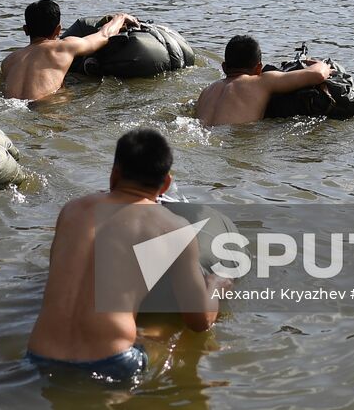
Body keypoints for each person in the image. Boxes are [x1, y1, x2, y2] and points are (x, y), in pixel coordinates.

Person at [25, 128, 224, 386]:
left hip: (38, 357)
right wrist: (217, 285)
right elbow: (200, 321)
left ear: (114, 173)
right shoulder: (174, 227)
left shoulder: (72, 210)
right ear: (165, 184)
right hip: (111, 363)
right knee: (172, 336)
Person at [1, 1, 138, 102]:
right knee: (66, 93)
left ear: (25, 30)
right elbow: (104, 35)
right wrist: (120, 17)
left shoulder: (8, 61)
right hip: (47, 108)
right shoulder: (64, 47)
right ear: (58, 30)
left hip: (11, 107)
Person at [194, 35, 334, 127]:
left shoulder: (207, 91)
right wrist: (323, 64)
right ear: (259, 68)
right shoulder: (262, 81)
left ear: (224, 67)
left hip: (199, 134)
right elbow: (318, 75)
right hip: (235, 141)